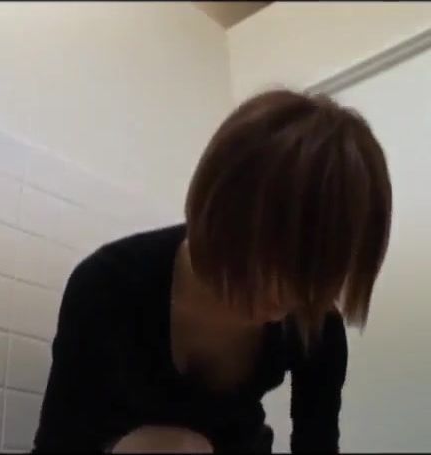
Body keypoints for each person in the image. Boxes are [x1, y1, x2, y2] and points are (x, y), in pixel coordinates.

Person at [33, 89, 392, 453]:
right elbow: (56, 444)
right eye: (276, 259)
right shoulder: (108, 286)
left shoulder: (314, 322)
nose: (288, 297)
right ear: (226, 208)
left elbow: (317, 445)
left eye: (314, 278)